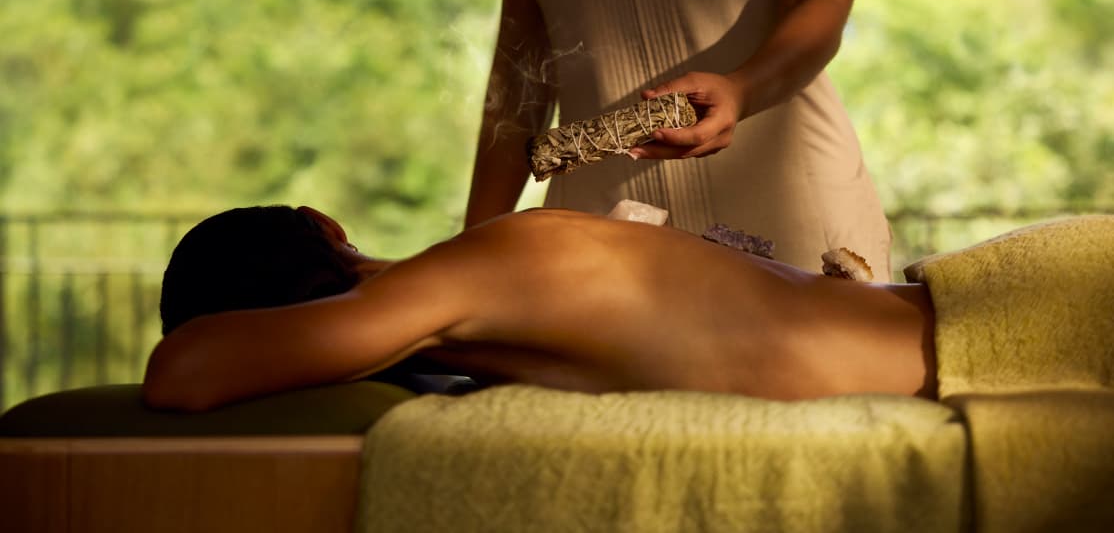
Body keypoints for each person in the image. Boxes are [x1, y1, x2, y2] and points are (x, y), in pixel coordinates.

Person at [465, 0, 893, 278]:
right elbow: (517, 73)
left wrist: (743, 89)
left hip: (791, 230)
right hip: (604, 243)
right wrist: (468, 257)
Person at [145, 204, 936, 412]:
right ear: (326, 225)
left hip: (973, 340)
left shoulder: (455, 281)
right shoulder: (483, 335)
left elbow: (180, 373)